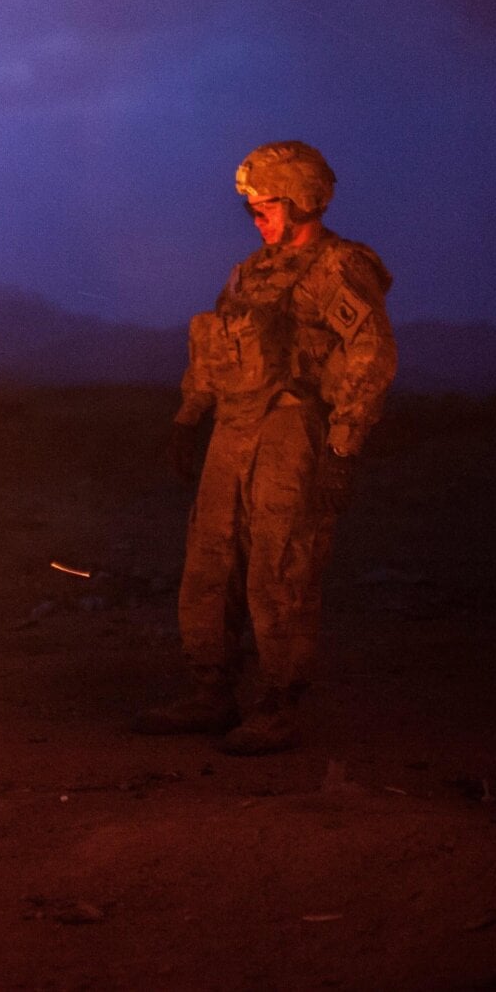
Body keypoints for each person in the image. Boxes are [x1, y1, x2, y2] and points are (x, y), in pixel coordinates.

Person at [133, 141, 398, 755]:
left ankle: (279, 702)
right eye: (251, 208)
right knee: (209, 563)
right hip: (233, 428)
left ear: (304, 199)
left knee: (281, 567)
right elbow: (217, 346)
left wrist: (342, 447)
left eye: (266, 205)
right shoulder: (250, 272)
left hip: (292, 430)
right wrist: (190, 414)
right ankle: (210, 690)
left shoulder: (339, 267)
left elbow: (370, 355)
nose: (256, 217)